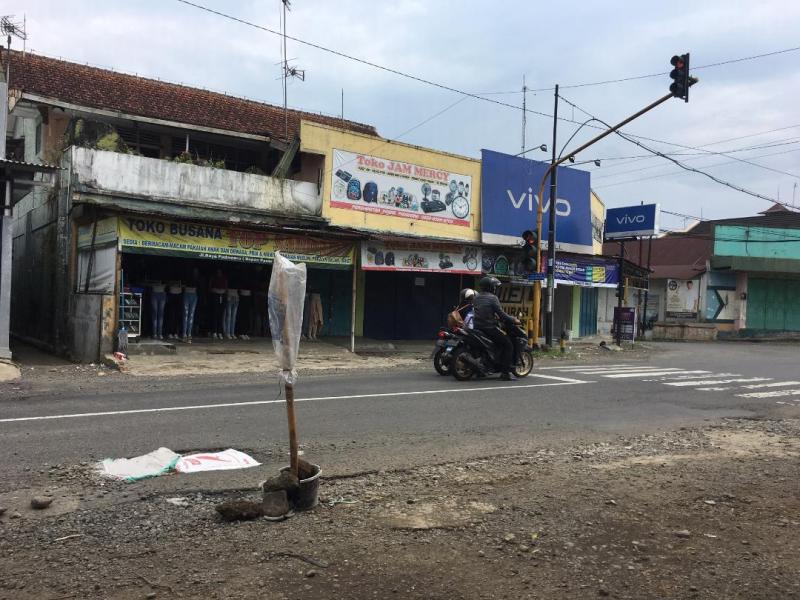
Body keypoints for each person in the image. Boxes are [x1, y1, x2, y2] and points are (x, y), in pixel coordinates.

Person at [473, 276, 519, 381]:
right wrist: (513, 319)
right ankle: (505, 373)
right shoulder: (493, 298)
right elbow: (502, 314)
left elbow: (484, 311)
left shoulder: (477, 297)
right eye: (494, 287)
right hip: (489, 327)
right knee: (508, 345)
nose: (495, 288)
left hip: (477, 327)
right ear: (491, 287)